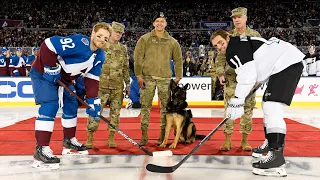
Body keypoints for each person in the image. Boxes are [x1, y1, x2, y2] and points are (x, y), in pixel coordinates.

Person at [211, 29, 304, 177]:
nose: (220, 47)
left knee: (273, 107)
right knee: (266, 104)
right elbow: (257, 67)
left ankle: (276, 158)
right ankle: (271, 141)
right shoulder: (238, 43)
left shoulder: (234, 49)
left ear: (228, 38)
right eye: (216, 46)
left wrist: (237, 101)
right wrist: (241, 97)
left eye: (221, 43)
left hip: (286, 64)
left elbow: (247, 76)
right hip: (282, 65)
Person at [29, 22, 111, 169]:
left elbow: (91, 78)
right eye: (99, 36)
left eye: (105, 38)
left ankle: (69, 139)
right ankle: (41, 149)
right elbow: (49, 44)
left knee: (72, 103)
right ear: (92, 33)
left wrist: (93, 100)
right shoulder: (80, 42)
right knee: (50, 105)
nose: (101, 40)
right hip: (43, 73)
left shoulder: (100, 55)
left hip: (64, 78)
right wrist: (50, 67)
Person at [215, 7, 261, 151]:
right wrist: (220, 73)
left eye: (239, 17)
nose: (236, 19)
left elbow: (261, 56)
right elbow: (221, 56)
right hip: (232, 79)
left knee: (247, 110)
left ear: (246, 18)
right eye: (234, 17)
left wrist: (259, 76)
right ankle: (227, 140)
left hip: (249, 81)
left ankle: (244, 141)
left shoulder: (254, 35)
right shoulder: (228, 36)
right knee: (229, 110)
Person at [134, 12, 183, 146]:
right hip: (147, 78)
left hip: (165, 79)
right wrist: (138, 75)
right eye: (157, 21)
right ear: (153, 23)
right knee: (145, 107)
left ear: (166, 24)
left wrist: (178, 76)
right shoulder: (145, 39)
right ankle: (144, 135)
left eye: (162, 21)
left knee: (165, 110)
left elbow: (178, 60)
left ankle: (163, 136)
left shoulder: (172, 42)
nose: (159, 23)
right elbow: (137, 58)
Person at [86, 21, 130, 148]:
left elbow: (126, 68)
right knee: (95, 112)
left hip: (117, 86)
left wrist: (127, 84)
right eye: (116, 31)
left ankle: (111, 137)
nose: (118, 34)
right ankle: (90, 137)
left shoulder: (123, 49)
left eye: (120, 33)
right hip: (101, 85)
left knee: (115, 114)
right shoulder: (101, 45)